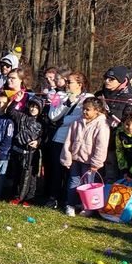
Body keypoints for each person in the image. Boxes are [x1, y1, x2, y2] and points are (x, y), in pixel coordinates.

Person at [42, 72, 92, 208]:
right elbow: (53, 116)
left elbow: (85, 118)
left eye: (70, 82)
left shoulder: (88, 98)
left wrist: (66, 120)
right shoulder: (59, 96)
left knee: (72, 173)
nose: (67, 84)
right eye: (66, 81)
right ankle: (53, 198)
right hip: (60, 138)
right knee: (56, 170)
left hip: (77, 141)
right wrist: (66, 104)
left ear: (79, 85)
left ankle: (70, 200)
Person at [61, 97, 110, 217]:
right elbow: (68, 141)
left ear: (97, 110)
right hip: (76, 159)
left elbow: (101, 146)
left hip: (90, 162)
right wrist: (67, 157)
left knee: (88, 184)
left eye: (88, 109)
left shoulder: (102, 125)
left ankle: (87, 206)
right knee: (73, 182)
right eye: (83, 109)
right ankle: (71, 204)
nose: (84, 112)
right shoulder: (77, 122)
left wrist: (96, 163)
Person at [9, 96, 43, 204]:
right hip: (18, 150)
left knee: (30, 176)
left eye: (36, 107)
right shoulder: (21, 116)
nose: (33, 109)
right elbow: (10, 111)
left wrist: (38, 142)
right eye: (32, 106)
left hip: (32, 153)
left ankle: (28, 198)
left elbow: (45, 136)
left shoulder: (42, 122)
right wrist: (16, 101)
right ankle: (17, 195)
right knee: (18, 174)